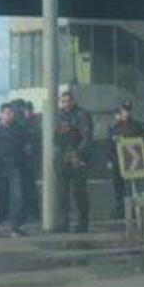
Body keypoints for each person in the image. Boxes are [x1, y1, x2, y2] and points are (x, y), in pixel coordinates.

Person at [0, 102, 29, 237]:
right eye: (7, 113)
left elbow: (24, 148)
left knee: (17, 197)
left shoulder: (18, 129)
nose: (10, 116)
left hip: (14, 167)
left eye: (12, 113)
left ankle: (15, 227)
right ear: (1, 114)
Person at [54, 88, 93, 232]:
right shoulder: (57, 115)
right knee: (62, 194)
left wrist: (77, 154)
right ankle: (63, 223)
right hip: (62, 158)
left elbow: (86, 137)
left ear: (73, 101)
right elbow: (54, 137)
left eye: (68, 101)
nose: (66, 104)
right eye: (63, 101)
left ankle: (83, 223)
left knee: (79, 193)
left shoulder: (82, 115)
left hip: (78, 158)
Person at [108, 104, 144, 219]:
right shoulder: (114, 126)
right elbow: (109, 145)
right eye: (123, 111)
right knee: (118, 186)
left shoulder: (136, 125)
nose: (126, 113)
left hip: (132, 161)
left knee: (132, 186)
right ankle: (121, 210)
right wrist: (109, 160)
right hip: (117, 160)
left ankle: (134, 210)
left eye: (127, 111)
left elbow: (141, 142)